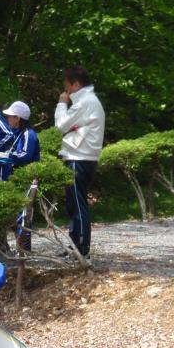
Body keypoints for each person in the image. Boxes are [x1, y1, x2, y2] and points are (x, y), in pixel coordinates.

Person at [54, 66, 105, 260]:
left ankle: (82, 249)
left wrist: (61, 104)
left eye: (67, 86)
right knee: (73, 205)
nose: (65, 91)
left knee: (77, 204)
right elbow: (69, 126)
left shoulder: (85, 102)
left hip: (79, 158)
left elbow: (61, 126)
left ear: (76, 84)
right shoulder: (88, 101)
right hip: (80, 156)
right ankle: (75, 246)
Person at [0, 100, 40, 180]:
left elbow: (25, 155)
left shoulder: (28, 134)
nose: (7, 119)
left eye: (9, 116)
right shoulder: (15, 132)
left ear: (17, 118)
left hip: (24, 180)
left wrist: (7, 155)